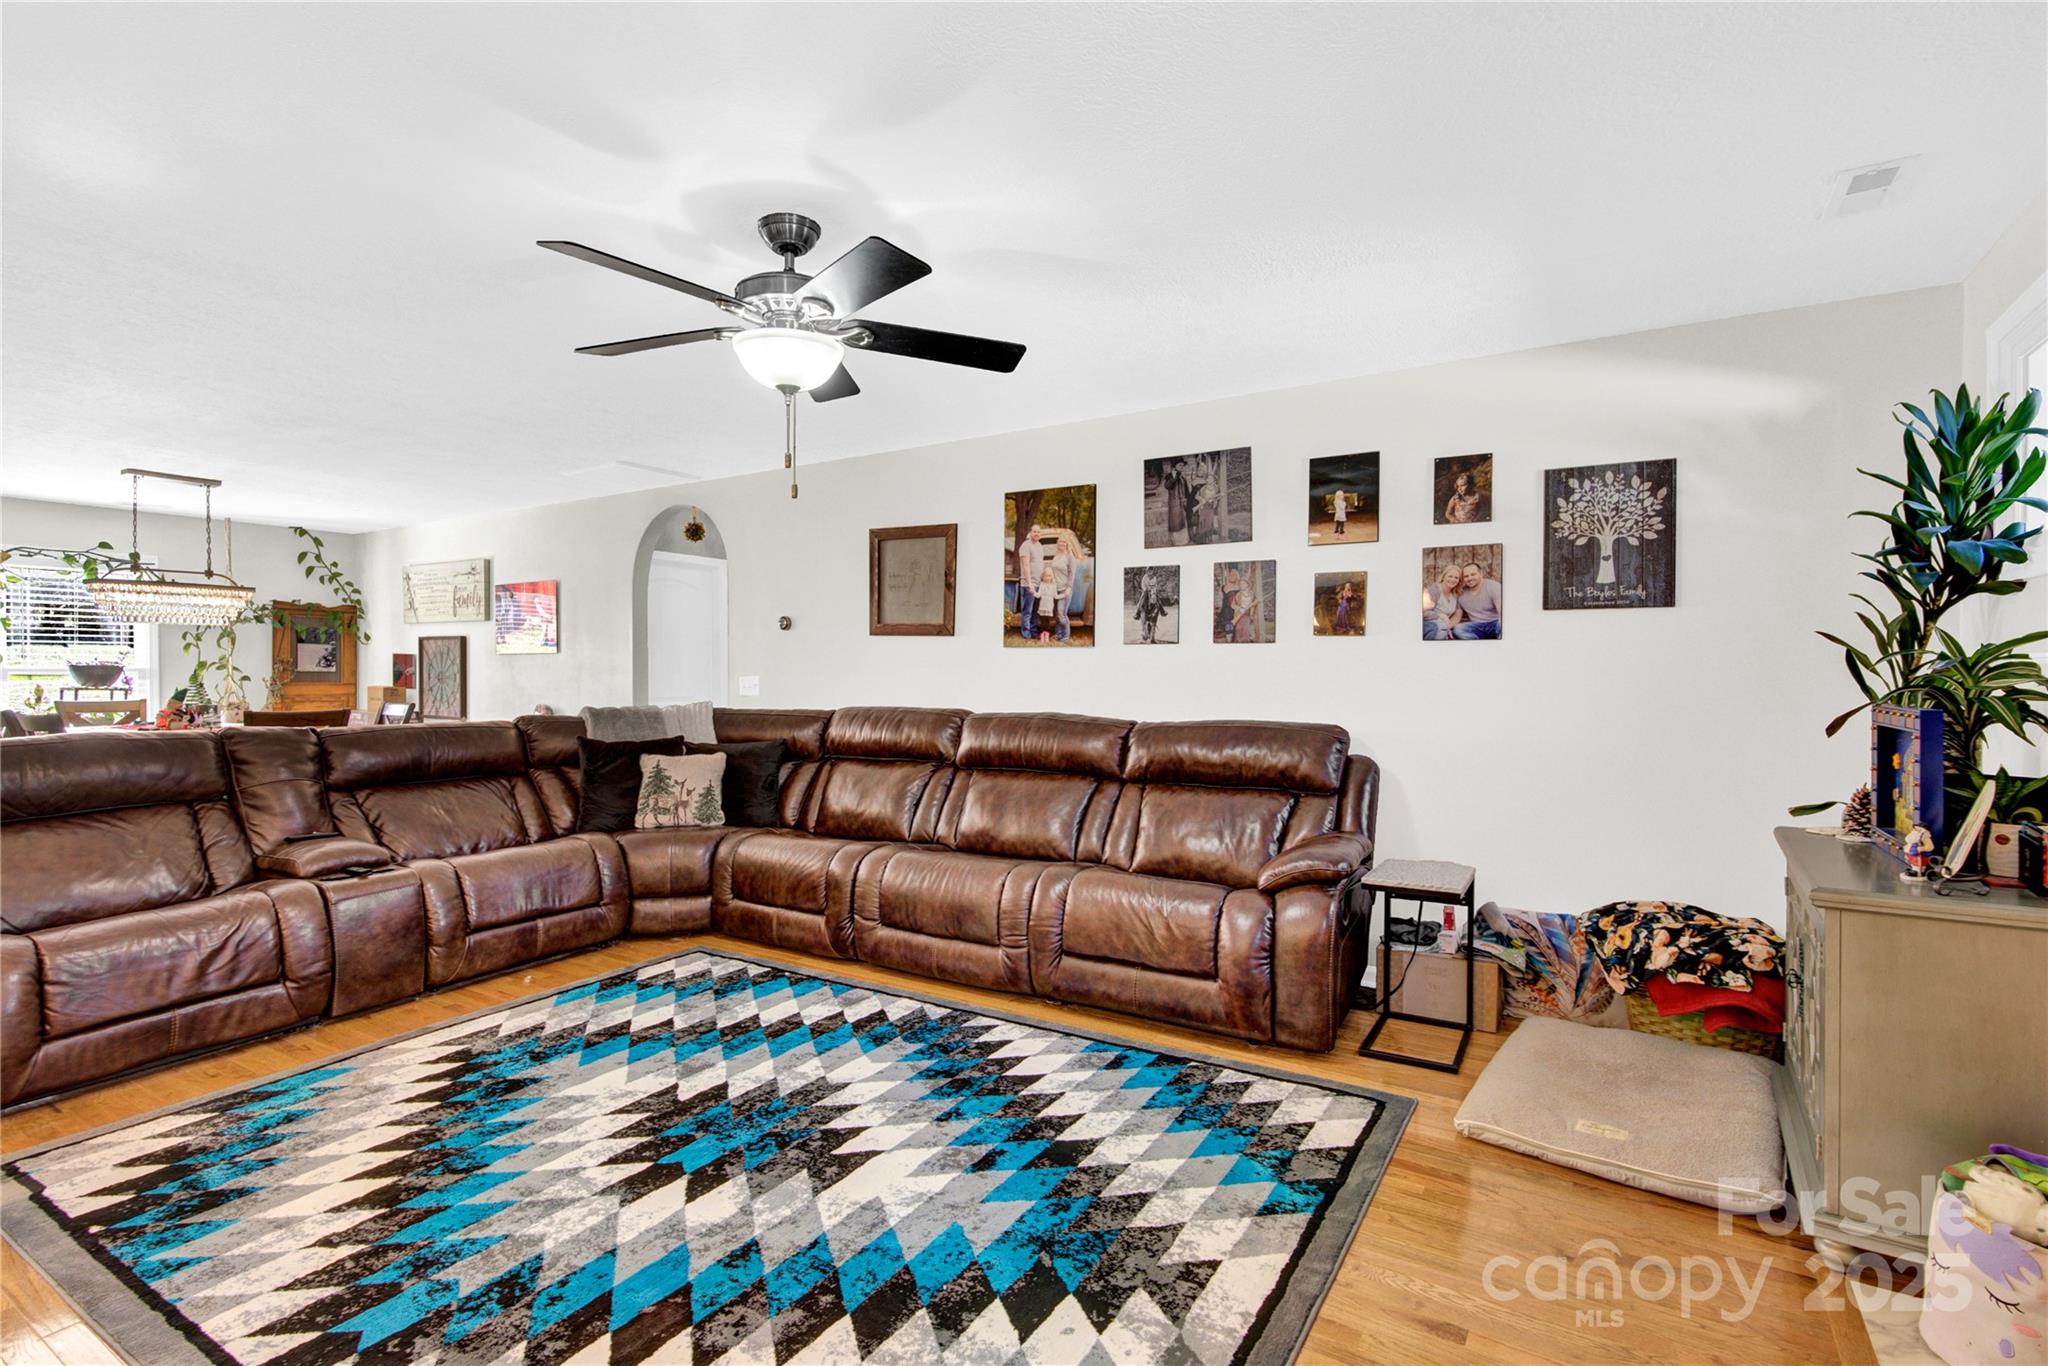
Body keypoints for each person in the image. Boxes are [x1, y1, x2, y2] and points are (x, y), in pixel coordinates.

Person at [1452, 561, 1503, 639]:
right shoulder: (1461, 593)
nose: (1469, 578)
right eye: (1466, 576)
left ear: (1481, 574)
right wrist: (1445, 627)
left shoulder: (1494, 587)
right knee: (1458, 629)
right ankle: (1479, 646)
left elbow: (1502, 612)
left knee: (1503, 624)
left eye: (1473, 574)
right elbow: (1457, 616)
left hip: (1495, 623)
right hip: (1476, 626)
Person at [1014, 524, 1044, 641]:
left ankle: (1033, 631)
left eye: (1038, 532)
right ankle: (1026, 634)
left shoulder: (1040, 546)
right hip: (1028, 584)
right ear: (1030, 533)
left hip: (1038, 584)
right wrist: (1030, 583)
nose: (1037, 534)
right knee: (1027, 611)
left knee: (1035, 611)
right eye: (1035, 531)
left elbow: (1039, 564)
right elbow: (1026, 566)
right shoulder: (1025, 546)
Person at [1047, 533, 1076, 643]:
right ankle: (1058, 635)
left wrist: (1069, 587)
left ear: (1067, 544)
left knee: (1061, 613)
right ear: (1057, 543)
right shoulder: (1057, 555)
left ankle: (1065, 636)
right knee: (1057, 615)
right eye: (1060, 541)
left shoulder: (1070, 556)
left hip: (1064, 589)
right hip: (1055, 589)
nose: (1062, 543)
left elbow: (1072, 573)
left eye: (1064, 542)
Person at [1423, 564, 1464, 640]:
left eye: (1456, 578)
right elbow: (1423, 611)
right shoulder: (1435, 590)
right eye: (1450, 576)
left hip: (1443, 627)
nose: (1453, 579)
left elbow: (1458, 615)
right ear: (1443, 576)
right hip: (1430, 624)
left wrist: (1447, 627)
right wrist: (1440, 616)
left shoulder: (1456, 593)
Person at [1161, 464, 1189, 546]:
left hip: (1183, 503)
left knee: (1183, 522)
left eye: (1182, 465)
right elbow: (1167, 486)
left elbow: (1186, 489)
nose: (1182, 467)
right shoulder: (1170, 476)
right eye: (1179, 465)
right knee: (1176, 522)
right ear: (1174, 466)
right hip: (1175, 503)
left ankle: (1184, 541)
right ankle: (1177, 542)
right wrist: (1173, 477)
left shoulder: (1181, 477)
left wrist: (1186, 498)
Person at [1036, 564, 1057, 643]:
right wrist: (1033, 592)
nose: (1047, 578)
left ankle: (1047, 636)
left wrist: (1064, 595)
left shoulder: (1053, 585)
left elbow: (1055, 596)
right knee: (1042, 622)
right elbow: (1038, 595)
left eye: (1049, 576)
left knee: (1048, 623)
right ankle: (1042, 635)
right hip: (1042, 607)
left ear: (1052, 576)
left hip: (1049, 607)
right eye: (1045, 576)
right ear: (1043, 576)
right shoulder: (1042, 584)